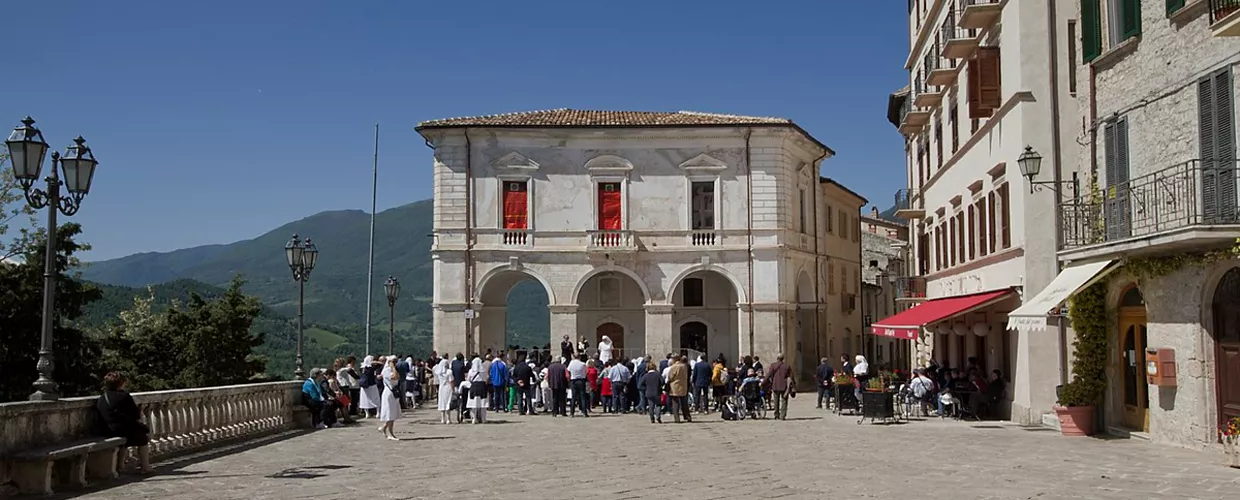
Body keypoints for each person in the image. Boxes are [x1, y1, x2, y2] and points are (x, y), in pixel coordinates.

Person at [95, 372, 153, 474]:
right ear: (121, 383)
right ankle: (145, 466)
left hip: (106, 430)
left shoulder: (102, 398)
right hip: (121, 430)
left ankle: (121, 465)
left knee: (125, 440)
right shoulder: (124, 396)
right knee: (143, 438)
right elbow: (135, 416)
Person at [378, 357, 402, 440]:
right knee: (390, 413)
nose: (395, 363)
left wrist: (394, 368)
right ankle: (391, 434)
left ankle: (384, 428)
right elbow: (394, 377)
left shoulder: (393, 370)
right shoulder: (387, 371)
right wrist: (393, 367)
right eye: (394, 361)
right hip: (389, 393)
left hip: (394, 393)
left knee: (393, 413)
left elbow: (398, 377)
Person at [766, 353, 794, 420]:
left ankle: (776, 415)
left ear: (777, 358)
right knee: (784, 400)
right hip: (784, 385)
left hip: (775, 385)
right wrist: (793, 385)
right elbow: (791, 376)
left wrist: (763, 382)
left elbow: (769, 375)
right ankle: (782, 415)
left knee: (776, 401)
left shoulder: (773, 365)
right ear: (783, 359)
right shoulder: (787, 366)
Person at [666, 354, 692, 423]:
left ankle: (677, 418)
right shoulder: (684, 366)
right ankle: (687, 416)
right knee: (684, 402)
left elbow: (670, 377)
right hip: (683, 386)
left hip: (675, 386)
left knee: (675, 403)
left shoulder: (674, 367)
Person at [434, 358, 455, 424]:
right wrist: (453, 389)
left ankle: (442, 419)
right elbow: (451, 381)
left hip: (441, 387)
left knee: (442, 402)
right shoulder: (449, 372)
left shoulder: (439, 372)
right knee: (448, 402)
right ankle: (448, 419)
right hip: (448, 387)